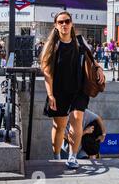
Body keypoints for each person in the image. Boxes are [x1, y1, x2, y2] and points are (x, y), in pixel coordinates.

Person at [40, 11, 105, 169]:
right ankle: (56, 155)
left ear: (72, 24)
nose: (64, 24)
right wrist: (50, 95)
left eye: (67, 21)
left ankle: (72, 156)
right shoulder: (52, 46)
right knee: (60, 126)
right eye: (61, 22)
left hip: (79, 89)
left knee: (77, 120)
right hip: (58, 91)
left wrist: (98, 68)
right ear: (56, 25)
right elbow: (47, 74)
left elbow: (91, 57)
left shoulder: (80, 41)